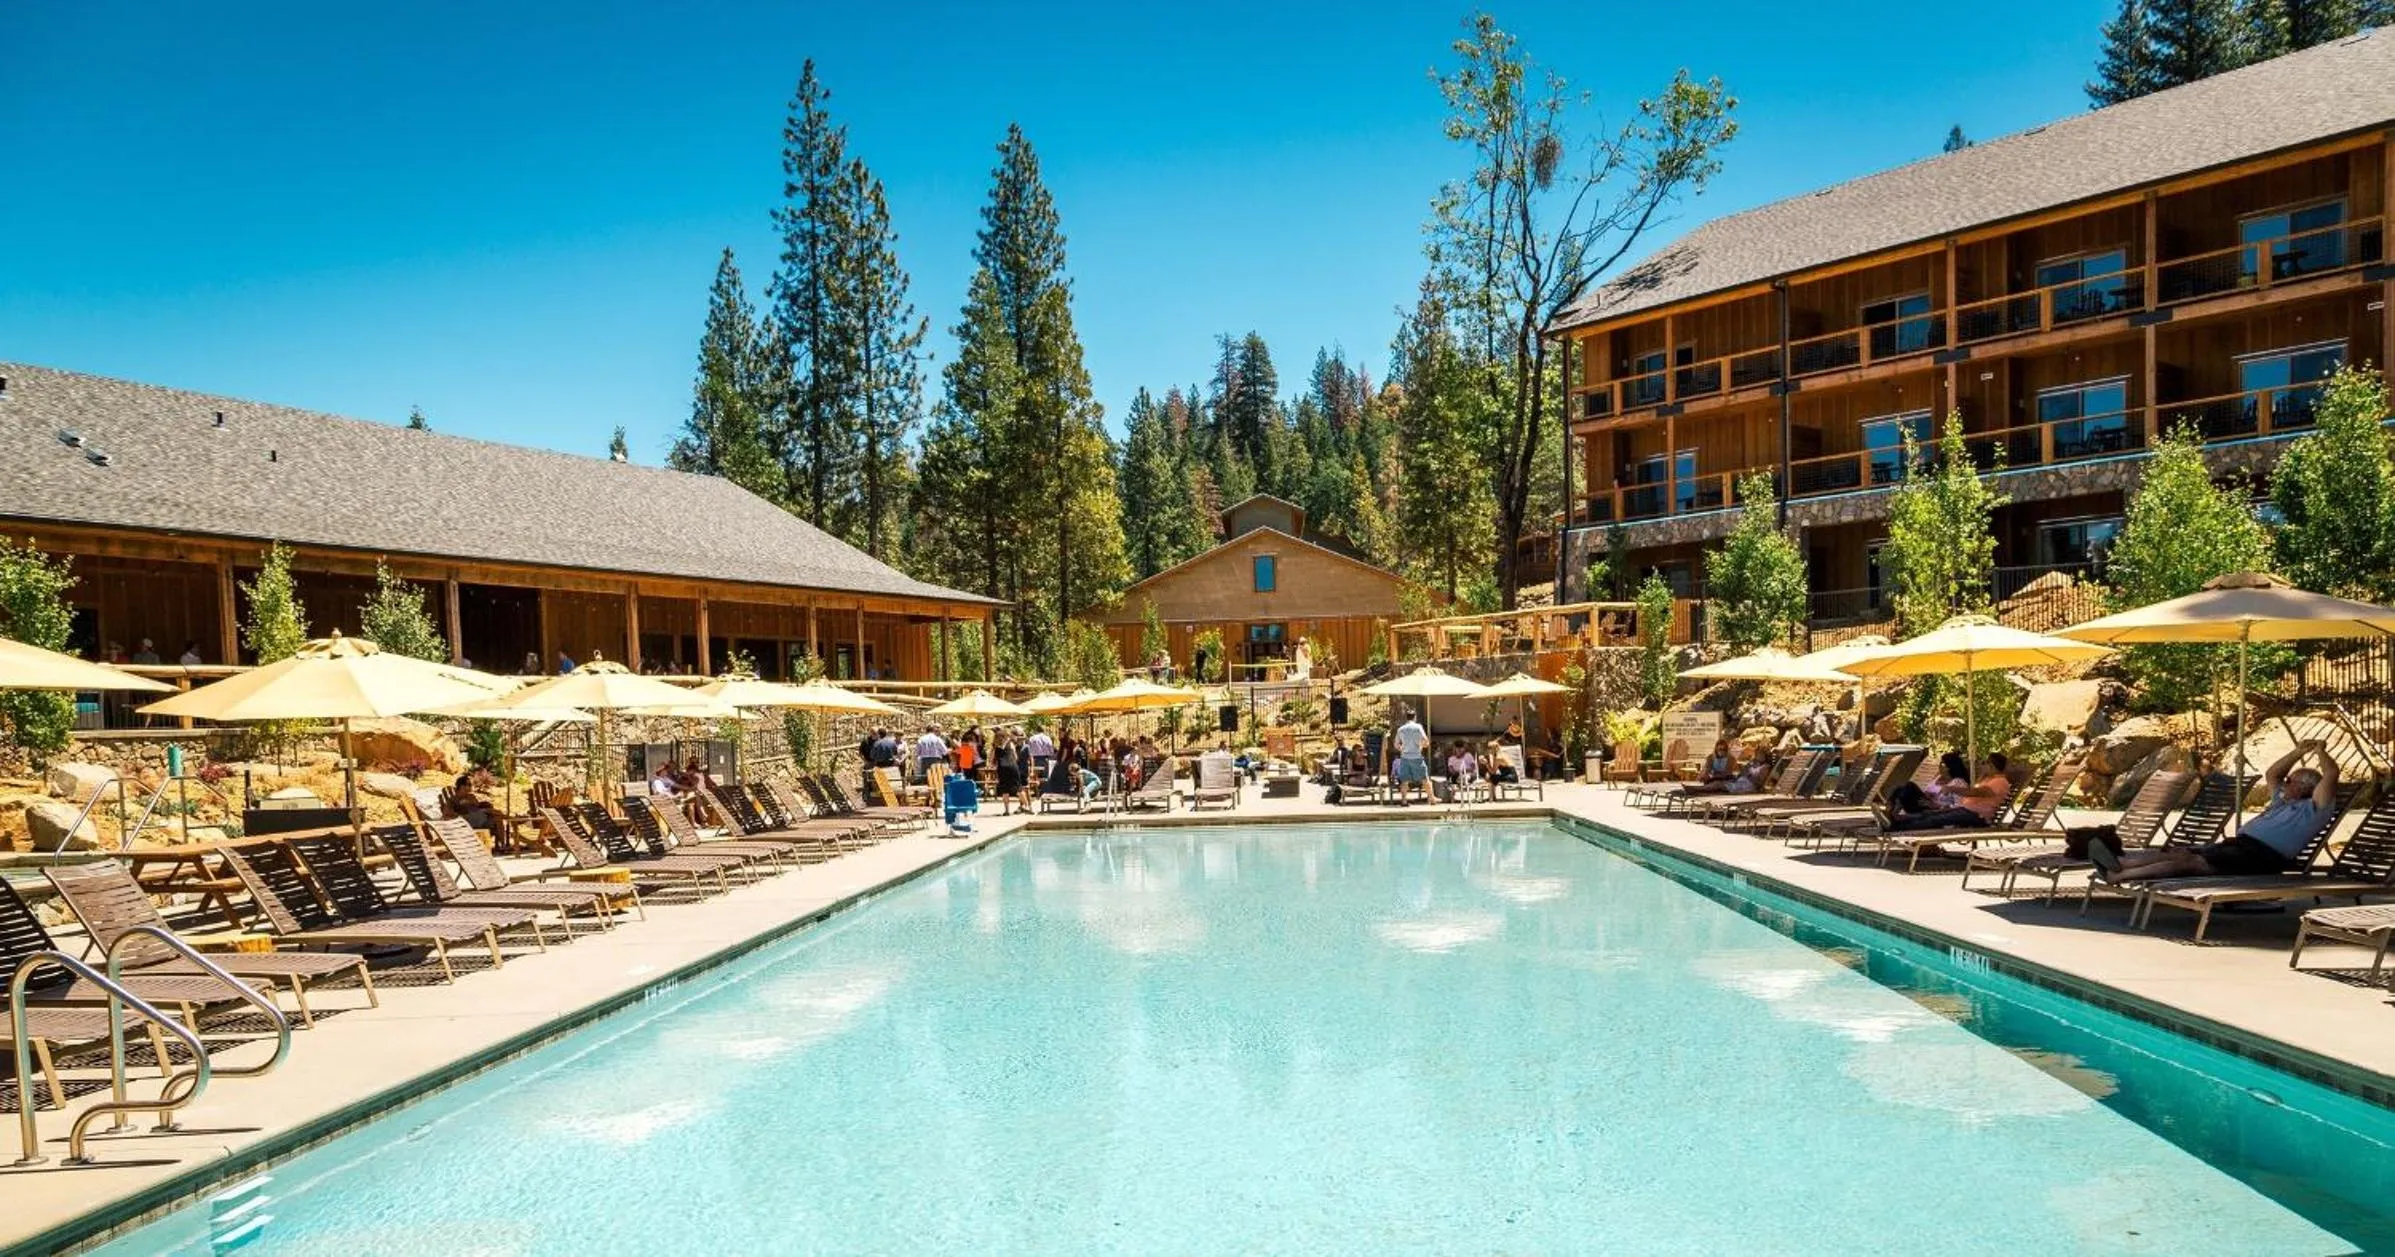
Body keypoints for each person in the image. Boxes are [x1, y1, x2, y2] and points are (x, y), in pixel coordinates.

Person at [2091, 741, 2339, 881]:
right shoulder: (2282, 800)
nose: (2284, 783)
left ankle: (2120, 875)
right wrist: (2297, 752)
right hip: (2241, 846)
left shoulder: (2315, 809)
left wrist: (2319, 751)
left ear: (2308, 788)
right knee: (2182, 852)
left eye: (2291, 781)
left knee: (2193, 862)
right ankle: (2121, 862)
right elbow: (2273, 773)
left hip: (2262, 857)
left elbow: (2330, 774)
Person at [1888, 752, 2012, 832]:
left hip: (1976, 816)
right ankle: (1895, 821)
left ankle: (1895, 827)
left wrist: (1952, 788)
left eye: (1984, 763)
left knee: (1935, 819)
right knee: (1930, 815)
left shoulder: (2000, 782)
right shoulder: (1990, 779)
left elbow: (1977, 792)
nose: (1981, 765)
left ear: (1991, 765)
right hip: (1966, 810)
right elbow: (1976, 791)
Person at [1890, 752, 1970, 817]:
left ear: (1949, 767)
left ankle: (1893, 814)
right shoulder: (1938, 777)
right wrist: (1928, 795)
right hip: (1926, 803)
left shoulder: (1958, 783)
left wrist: (1936, 806)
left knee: (1910, 786)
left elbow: (1959, 806)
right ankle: (1891, 812)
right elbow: (1929, 794)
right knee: (1900, 789)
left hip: (1933, 810)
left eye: (1942, 765)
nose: (1939, 767)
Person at [1390, 708, 1431, 805]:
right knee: (1425, 778)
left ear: (1406, 718)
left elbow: (1396, 744)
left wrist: (1402, 749)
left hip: (1405, 757)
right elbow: (1426, 740)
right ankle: (1431, 798)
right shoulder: (1418, 727)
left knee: (1404, 780)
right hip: (1416, 756)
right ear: (1415, 717)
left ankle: (1404, 800)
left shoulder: (1401, 729)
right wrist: (1422, 746)